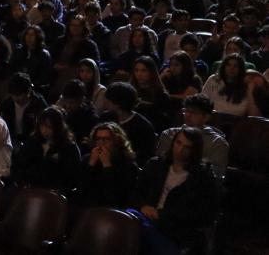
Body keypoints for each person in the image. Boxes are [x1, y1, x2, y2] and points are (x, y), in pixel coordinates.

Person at [131, 127, 220, 255]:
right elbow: (136, 192)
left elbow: (207, 214)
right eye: (178, 143)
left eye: (187, 147)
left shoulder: (202, 177)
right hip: (146, 218)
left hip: (176, 228)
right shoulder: (155, 165)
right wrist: (143, 206)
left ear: (194, 151)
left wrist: (164, 214)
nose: (180, 150)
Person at [156, 94, 228, 178]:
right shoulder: (169, 134)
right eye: (186, 110)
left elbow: (217, 174)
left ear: (206, 117)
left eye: (194, 112)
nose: (188, 115)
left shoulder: (217, 143)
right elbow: (159, 163)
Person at [12, 106, 81, 192]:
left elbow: (71, 176)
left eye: (49, 127)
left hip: (56, 192)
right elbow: (19, 165)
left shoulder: (69, 147)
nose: (45, 130)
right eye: (42, 126)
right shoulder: (32, 142)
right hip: (31, 189)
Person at [75, 122, 140, 209]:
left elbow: (117, 196)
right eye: (98, 139)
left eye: (107, 139)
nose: (101, 143)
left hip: (112, 210)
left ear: (117, 141)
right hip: (87, 207)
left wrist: (107, 165)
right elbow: (80, 189)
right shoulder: (88, 159)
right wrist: (91, 164)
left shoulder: (127, 164)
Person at [100, 82, 158, 164]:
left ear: (118, 104)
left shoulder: (142, 127)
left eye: (108, 99)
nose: (105, 101)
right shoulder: (106, 118)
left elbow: (144, 156)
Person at [0, 72, 48, 147]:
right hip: (12, 139)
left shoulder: (39, 104)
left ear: (28, 92)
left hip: (32, 141)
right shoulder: (7, 103)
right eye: (13, 95)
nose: (16, 99)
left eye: (19, 95)